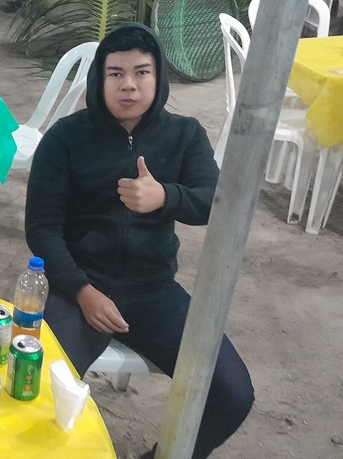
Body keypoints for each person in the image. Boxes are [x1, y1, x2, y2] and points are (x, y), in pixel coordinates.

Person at [24, 23, 254, 458]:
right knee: (34, 388)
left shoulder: (185, 134)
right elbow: (41, 228)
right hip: (77, 288)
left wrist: (166, 196)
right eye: (116, 73)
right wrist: (82, 291)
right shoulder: (64, 138)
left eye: (141, 72)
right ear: (99, 78)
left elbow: (215, 203)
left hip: (153, 291)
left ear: (158, 76)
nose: (128, 85)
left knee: (232, 394)